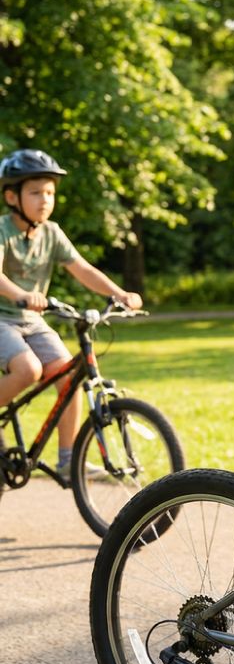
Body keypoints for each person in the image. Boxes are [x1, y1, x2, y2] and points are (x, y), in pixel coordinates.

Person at [0, 148, 142, 480]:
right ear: (12, 196)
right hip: (2, 317)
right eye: (35, 192)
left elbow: (82, 268)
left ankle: (68, 461)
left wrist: (118, 294)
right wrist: (21, 295)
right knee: (29, 369)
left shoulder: (51, 232)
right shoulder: (3, 229)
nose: (45, 200)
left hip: (32, 320)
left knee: (69, 378)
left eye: (49, 192)